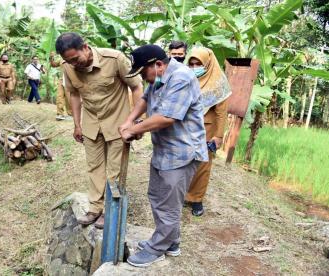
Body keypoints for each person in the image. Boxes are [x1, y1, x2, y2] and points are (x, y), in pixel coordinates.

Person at [119, 45, 208, 267]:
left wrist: (135, 130)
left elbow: (167, 117)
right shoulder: (158, 77)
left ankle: (157, 248)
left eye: (142, 72)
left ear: (158, 65)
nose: (142, 77)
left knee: (168, 205)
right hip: (164, 149)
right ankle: (171, 242)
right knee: (158, 196)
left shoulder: (181, 78)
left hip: (181, 152)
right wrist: (129, 122)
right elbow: (146, 100)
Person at [56, 32, 144, 229]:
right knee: (94, 167)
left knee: (115, 170)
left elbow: (137, 87)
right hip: (91, 125)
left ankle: (109, 210)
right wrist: (77, 124)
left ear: (85, 48)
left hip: (117, 124)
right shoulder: (68, 67)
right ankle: (95, 208)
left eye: (75, 58)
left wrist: (137, 122)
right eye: (68, 61)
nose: (73, 64)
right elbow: (74, 94)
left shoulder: (115, 59)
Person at [185, 47, 231, 216]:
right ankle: (183, 194)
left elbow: (221, 112)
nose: (195, 67)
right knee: (184, 163)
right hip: (185, 128)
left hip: (207, 130)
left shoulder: (218, 83)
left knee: (202, 166)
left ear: (208, 64)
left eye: (199, 64)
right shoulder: (186, 78)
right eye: (192, 63)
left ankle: (196, 199)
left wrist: (218, 136)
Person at [50, 52, 72, 121]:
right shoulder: (61, 60)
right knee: (59, 96)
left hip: (70, 80)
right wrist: (51, 58)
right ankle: (60, 114)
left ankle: (71, 114)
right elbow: (53, 65)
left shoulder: (73, 59)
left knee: (69, 98)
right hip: (61, 80)